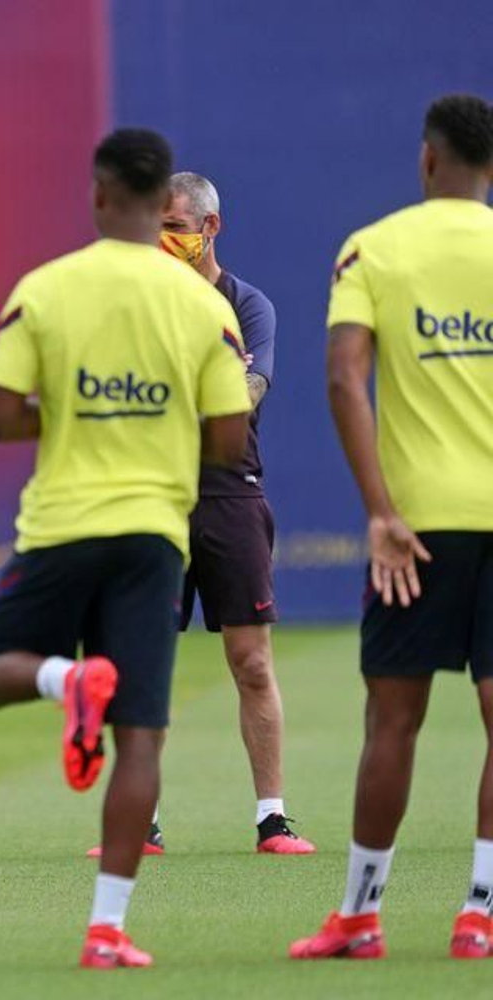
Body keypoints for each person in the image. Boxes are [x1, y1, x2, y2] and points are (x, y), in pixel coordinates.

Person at [0, 128, 250, 969]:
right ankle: (107, 932)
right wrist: (154, 426)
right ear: (164, 200)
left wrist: (78, 413)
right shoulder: (206, 305)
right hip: (153, 536)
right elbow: (231, 441)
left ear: (97, 196)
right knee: (142, 739)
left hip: (60, 524)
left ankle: (65, 679)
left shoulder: (46, 289)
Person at [291, 93, 493, 962]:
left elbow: (344, 378)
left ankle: (361, 916)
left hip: (415, 528)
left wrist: (379, 510)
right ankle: (481, 912)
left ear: (426, 159)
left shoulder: (373, 247)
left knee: (392, 724)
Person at [100, 172, 312, 856]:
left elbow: (246, 393)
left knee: (251, 660)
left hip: (228, 493)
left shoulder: (248, 306)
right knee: (140, 660)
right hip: (153, 493)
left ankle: (273, 819)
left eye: (174, 224)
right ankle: (141, 823)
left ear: (210, 227)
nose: (161, 238)